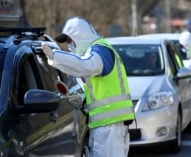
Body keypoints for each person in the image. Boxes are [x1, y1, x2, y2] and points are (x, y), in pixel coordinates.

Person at [42, 16, 135, 157]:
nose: (69, 46)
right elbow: (103, 88)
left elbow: (85, 66)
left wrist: (55, 56)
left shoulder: (100, 51)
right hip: (108, 126)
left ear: (80, 37)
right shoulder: (98, 50)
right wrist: (83, 98)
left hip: (110, 127)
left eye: (69, 41)